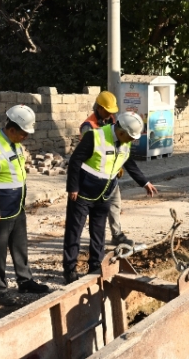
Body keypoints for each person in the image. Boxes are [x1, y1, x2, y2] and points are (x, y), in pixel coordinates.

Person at [63, 111, 159, 284]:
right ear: (121, 131)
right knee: (74, 232)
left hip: (104, 193)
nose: (132, 141)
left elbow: (128, 162)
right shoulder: (95, 136)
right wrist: (73, 187)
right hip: (83, 193)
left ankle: (95, 267)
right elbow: (75, 161)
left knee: (98, 233)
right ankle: (70, 270)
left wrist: (144, 182)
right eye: (131, 137)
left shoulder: (125, 143)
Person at [0, 105, 49, 306]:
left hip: (16, 206)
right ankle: (0, 290)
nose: (25, 137)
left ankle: (25, 280)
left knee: (20, 246)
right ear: (11, 129)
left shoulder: (14, 143)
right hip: (0, 210)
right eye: (23, 133)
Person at [79, 91, 134, 247]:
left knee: (115, 203)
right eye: (108, 110)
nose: (111, 114)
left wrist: (118, 164)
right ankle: (85, 240)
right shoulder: (88, 126)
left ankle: (117, 235)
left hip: (110, 174)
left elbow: (117, 143)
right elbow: (89, 153)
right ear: (100, 108)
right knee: (91, 210)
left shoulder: (111, 120)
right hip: (93, 176)